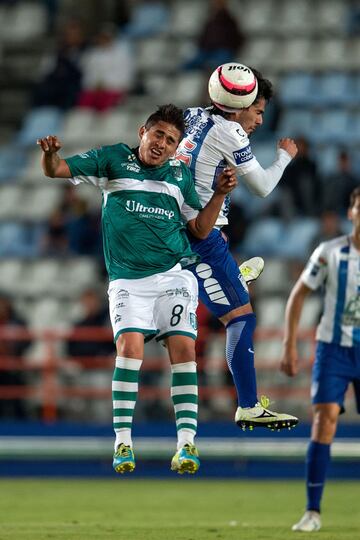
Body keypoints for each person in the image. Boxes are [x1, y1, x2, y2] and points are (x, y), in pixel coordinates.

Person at [37, 103, 237, 475]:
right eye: (158, 134)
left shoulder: (180, 176)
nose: (162, 143)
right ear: (141, 131)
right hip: (128, 280)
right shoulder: (112, 159)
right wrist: (50, 155)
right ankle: (123, 442)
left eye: (172, 139)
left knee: (183, 349)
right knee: (128, 348)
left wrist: (220, 195)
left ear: (178, 148)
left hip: (174, 275)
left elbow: (199, 230)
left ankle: (187, 443)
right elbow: (57, 171)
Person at [176, 62, 299, 430]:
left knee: (225, 281)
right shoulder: (229, 131)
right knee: (241, 317)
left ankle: (229, 277)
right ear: (241, 104)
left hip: (185, 228)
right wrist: (285, 157)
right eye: (258, 111)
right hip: (198, 240)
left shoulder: (194, 115)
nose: (260, 120)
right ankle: (247, 404)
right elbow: (261, 188)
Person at [280, 186, 360, 532]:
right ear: (351, 211)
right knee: (324, 419)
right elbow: (298, 295)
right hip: (333, 348)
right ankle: (312, 511)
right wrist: (288, 345)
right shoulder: (330, 252)